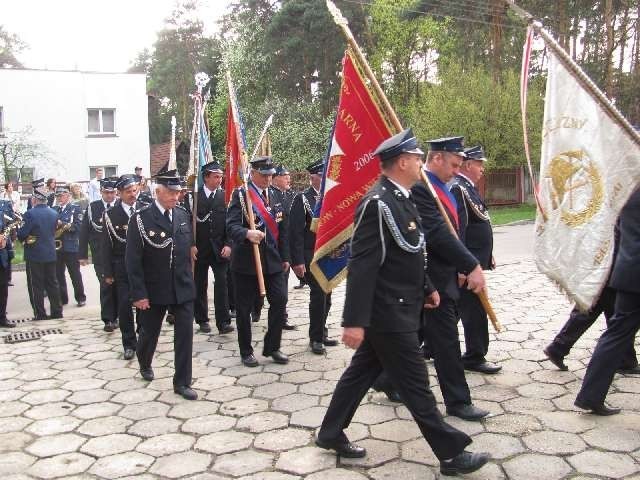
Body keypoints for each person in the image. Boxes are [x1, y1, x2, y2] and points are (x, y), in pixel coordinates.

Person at [316, 129, 489, 476]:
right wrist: (354, 321)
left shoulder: (404, 197)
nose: (421, 163)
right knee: (417, 388)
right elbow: (363, 265)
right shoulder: (376, 204)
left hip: (403, 305)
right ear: (402, 162)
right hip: (387, 313)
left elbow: (409, 254)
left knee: (359, 373)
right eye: (416, 158)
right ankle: (451, 454)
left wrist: (426, 287)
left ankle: (330, 431)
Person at [412, 136, 489, 421]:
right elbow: (436, 234)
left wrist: (460, 266)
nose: (458, 170)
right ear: (437, 159)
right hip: (429, 278)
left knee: (410, 336)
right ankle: (458, 401)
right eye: (454, 164)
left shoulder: (447, 187)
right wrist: (470, 265)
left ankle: (384, 379)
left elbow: (457, 230)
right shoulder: (423, 189)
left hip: (444, 275)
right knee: (446, 342)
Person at [126, 169, 197, 400]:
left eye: (178, 193)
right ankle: (144, 359)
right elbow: (133, 260)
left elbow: (187, 249)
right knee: (149, 333)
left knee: (185, 336)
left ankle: (182, 382)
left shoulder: (182, 214)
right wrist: (139, 294)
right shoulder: (141, 218)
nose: (175, 197)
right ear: (158, 192)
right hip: (154, 289)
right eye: (170, 193)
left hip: (182, 287)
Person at [575, 188, 640, 415]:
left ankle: (590, 396)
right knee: (616, 335)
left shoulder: (627, 187)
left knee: (615, 336)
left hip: (627, 273)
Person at [226, 156, 290, 367]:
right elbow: (231, 226)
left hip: (272, 260)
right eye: (264, 175)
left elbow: (283, 229)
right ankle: (246, 351)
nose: (268, 179)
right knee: (244, 309)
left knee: (280, 301)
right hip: (246, 261)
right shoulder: (242, 195)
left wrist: (286, 257)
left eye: (271, 175)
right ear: (253, 173)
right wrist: (246, 233)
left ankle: (272, 346)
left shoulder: (275, 195)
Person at [450, 146, 501, 374]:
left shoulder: (468, 188)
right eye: (479, 164)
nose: (482, 169)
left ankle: (429, 346)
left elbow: (479, 223)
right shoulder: (459, 189)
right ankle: (474, 355)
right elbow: (459, 230)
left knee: (456, 309)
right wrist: (463, 266)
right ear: (468, 164)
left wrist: (487, 253)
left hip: (474, 261)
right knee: (474, 310)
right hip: (468, 266)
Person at [290, 160, 337, 354]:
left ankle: (322, 331)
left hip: (328, 253)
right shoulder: (302, 199)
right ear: (313, 177)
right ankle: (315, 338)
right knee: (318, 295)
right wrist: (298, 261)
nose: (325, 178)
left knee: (328, 295)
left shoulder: (331, 197)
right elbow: (296, 233)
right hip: (310, 255)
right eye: (321, 175)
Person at [104, 175, 145, 360]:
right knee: (124, 306)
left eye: (135, 190)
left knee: (145, 305)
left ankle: (144, 338)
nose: (132, 194)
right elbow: (105, 245)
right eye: (128, 192)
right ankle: (129, 343)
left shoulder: (145, 210)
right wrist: (108, 272)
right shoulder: (111, 215)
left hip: (144, 267)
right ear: (119, 193)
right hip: (122, 267)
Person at [194, 161, 234, 335]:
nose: (219, 180)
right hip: (200, 249)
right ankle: (202, 319)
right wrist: (191, 245)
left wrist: (228, 244)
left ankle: (223, 321)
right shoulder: (194, 197)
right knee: (199, 284)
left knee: (222, 284)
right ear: (206, 178)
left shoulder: (225, 197)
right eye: (216, 177)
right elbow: (187, 224)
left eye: (220, 177)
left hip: (219, 249)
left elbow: (231, 224)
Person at [18, 188, 63, 320]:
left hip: (35, 253)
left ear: (34, 199)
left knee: (36, 285)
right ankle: (57, 311)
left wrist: (22, 238)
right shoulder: (54, 213)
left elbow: (22, 233)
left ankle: (40, 314)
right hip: (50, 251)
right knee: (52, 283)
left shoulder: (30, 214)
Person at [79, 178, 118, 331]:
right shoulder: (93, 207)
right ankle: (108, 319)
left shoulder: (120, 207)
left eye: (113, 192)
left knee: (118, 287)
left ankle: (118, 315)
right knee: (106, 285)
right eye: (107, 192)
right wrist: (82, 255)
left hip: (118, 254)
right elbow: (84, 232)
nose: (110, 196)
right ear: (101, 192)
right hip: (100, 255)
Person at [269, 165, 297, 331]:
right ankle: (256, 307)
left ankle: (282, 317)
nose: (288, 179)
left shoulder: (292, 195)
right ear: (275, 178)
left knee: (283, 285)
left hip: (291, 246)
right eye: (285, 176)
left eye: (288, 176)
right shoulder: (272, 196)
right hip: (277, 247)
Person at [53, 184, 86, 307]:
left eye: (62, 195)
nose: (59, 198)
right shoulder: (54, 209)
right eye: (58, 196)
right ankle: (63, 298)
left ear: (68, 196)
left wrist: (63, 224)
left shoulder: (75, 208)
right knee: (58, 274)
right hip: (57, 246)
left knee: (75, 273)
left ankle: (80, 297)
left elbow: (78, 226)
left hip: (70, 245)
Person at [0, 213, 13, 327]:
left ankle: (2, 318)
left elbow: (5, 231)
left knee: (3, 290)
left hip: (2, 258)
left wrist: (4, 238)